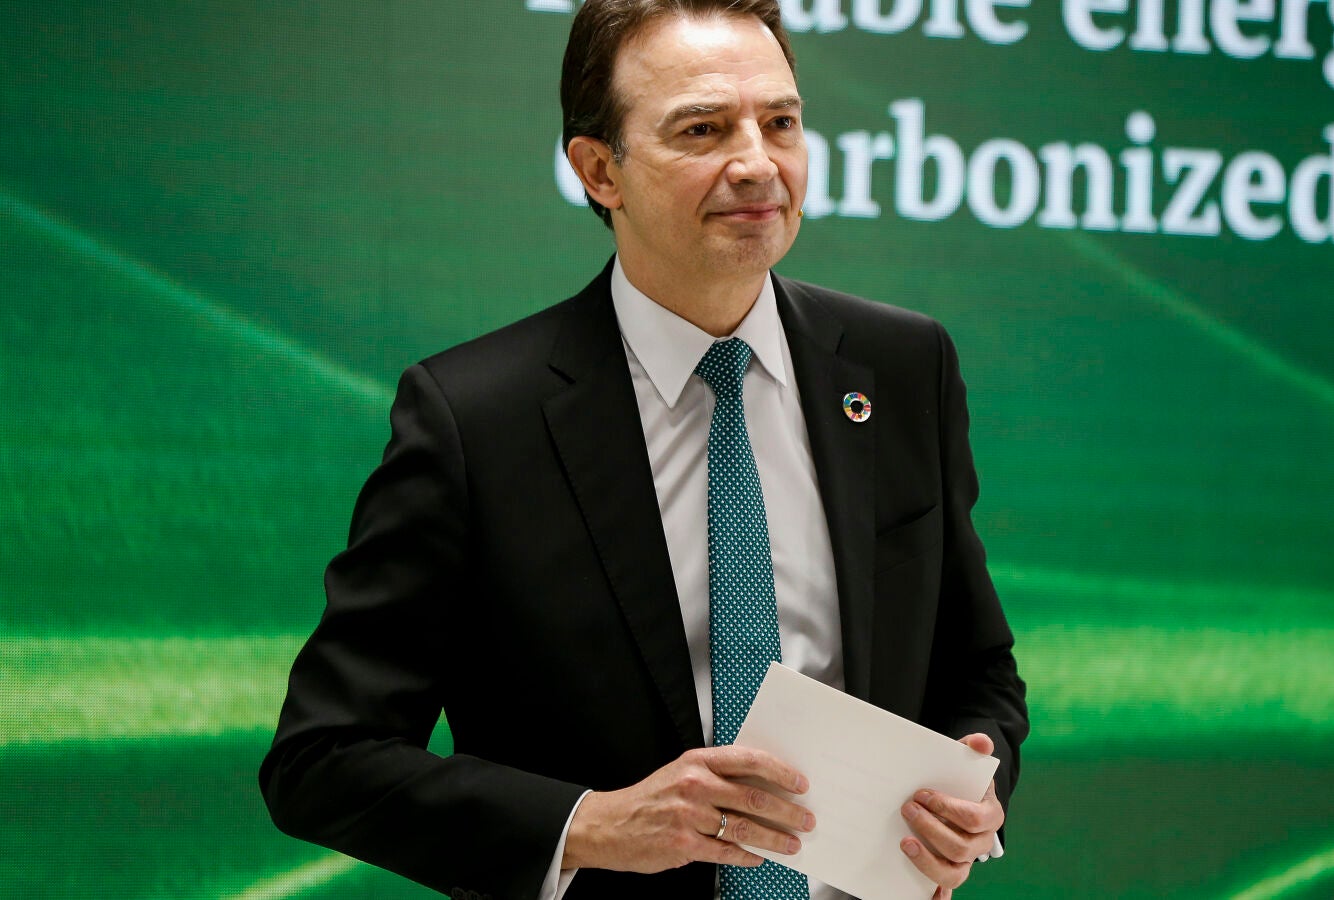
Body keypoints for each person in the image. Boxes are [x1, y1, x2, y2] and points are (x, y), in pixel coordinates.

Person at [259, 0, 1028, 897]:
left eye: (781, 123)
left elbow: (976, 669)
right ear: (599, 170)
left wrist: (976, 787)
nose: (758, 163)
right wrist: (589, 826)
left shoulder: (902, 368)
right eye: (702, 129)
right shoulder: (475, 419)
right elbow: (323, 759)